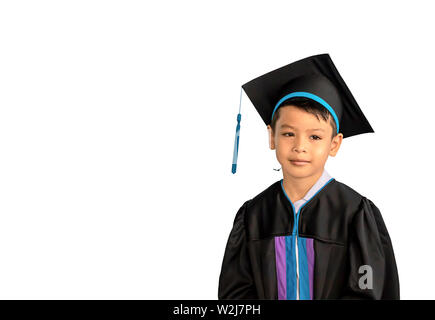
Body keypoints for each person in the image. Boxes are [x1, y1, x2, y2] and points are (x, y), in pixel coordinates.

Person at [218, 53, 400, 300]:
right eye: (288, 134)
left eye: (315, 137)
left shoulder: (354, 214)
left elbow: (368, 293)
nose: (299, 147)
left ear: (334, 144)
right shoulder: (254, 215)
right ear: (271, 137)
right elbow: (235, 295)